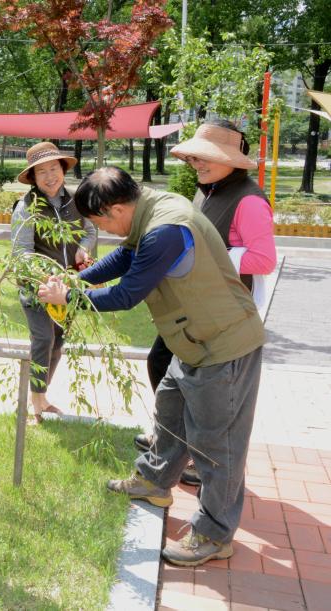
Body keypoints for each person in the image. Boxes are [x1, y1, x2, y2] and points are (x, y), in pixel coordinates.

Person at [38, 167, 264, 567]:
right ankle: (155, 481)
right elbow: (127, 255)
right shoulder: (150, 210)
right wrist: (77, 282)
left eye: (100, 223)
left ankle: (214, 534)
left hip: (223, 345)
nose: (103, 231)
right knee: (170, 412)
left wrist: (69, 299)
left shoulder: (165, 231)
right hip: (194, 341)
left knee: (218, 445)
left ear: (116, 209)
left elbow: (126, 294)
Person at [134, 121, 277, 485]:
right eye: (195, 157)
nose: (197, 164)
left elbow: (264, 259)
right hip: (190, 307)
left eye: (205, 157)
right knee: (162, 366)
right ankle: (172, 441)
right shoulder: (207, 191)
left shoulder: (248, 200)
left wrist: (212, 256)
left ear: (230, 159)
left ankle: (194, 456)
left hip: (222, 315)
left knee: (207, 394)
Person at [10, 142, 96, 421]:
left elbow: (90, 230)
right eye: (42, 172)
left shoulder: (76, 201)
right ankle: (36, 403)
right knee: (43, 339)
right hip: (37, 288)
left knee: (58, 341)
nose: (49, 176)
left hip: (68, 287)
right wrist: (44, 274)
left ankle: (41, 396)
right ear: (33, 177)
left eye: (53, 169)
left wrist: (84, 248)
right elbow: (22, 253)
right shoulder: (26, 207)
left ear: (62, 169)